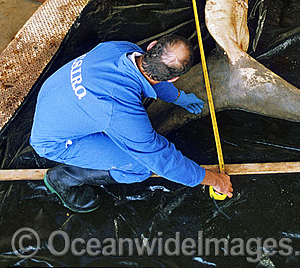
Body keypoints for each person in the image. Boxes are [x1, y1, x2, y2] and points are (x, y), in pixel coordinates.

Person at [30, 35, 233, 213]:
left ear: (151, 46)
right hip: (55, 141)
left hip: (57, 101)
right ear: (175, 79)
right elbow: (162, 160)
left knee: (120, 130)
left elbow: (153, 74)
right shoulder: (120, 111)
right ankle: (63, 178)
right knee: (139, 167)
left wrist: (179, 97)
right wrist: (213, 179)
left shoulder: (119, 49)